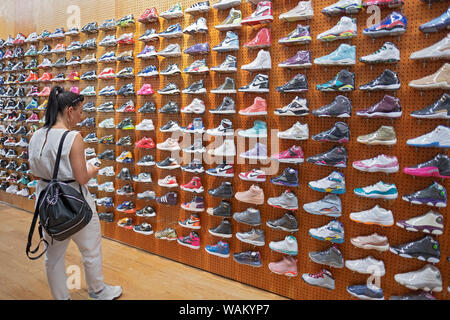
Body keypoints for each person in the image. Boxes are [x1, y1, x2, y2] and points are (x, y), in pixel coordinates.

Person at [28, 86, 122, 300]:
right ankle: (98, 291)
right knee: (90, 249)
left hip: (47, 201)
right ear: (69, 110)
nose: (82, 115)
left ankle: (62, 298)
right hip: (75, 201)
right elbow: (82, 177)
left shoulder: (35, 136)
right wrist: (95, 167)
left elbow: (35, 173)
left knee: (53, 256)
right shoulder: (73, 137)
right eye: (80, 110)